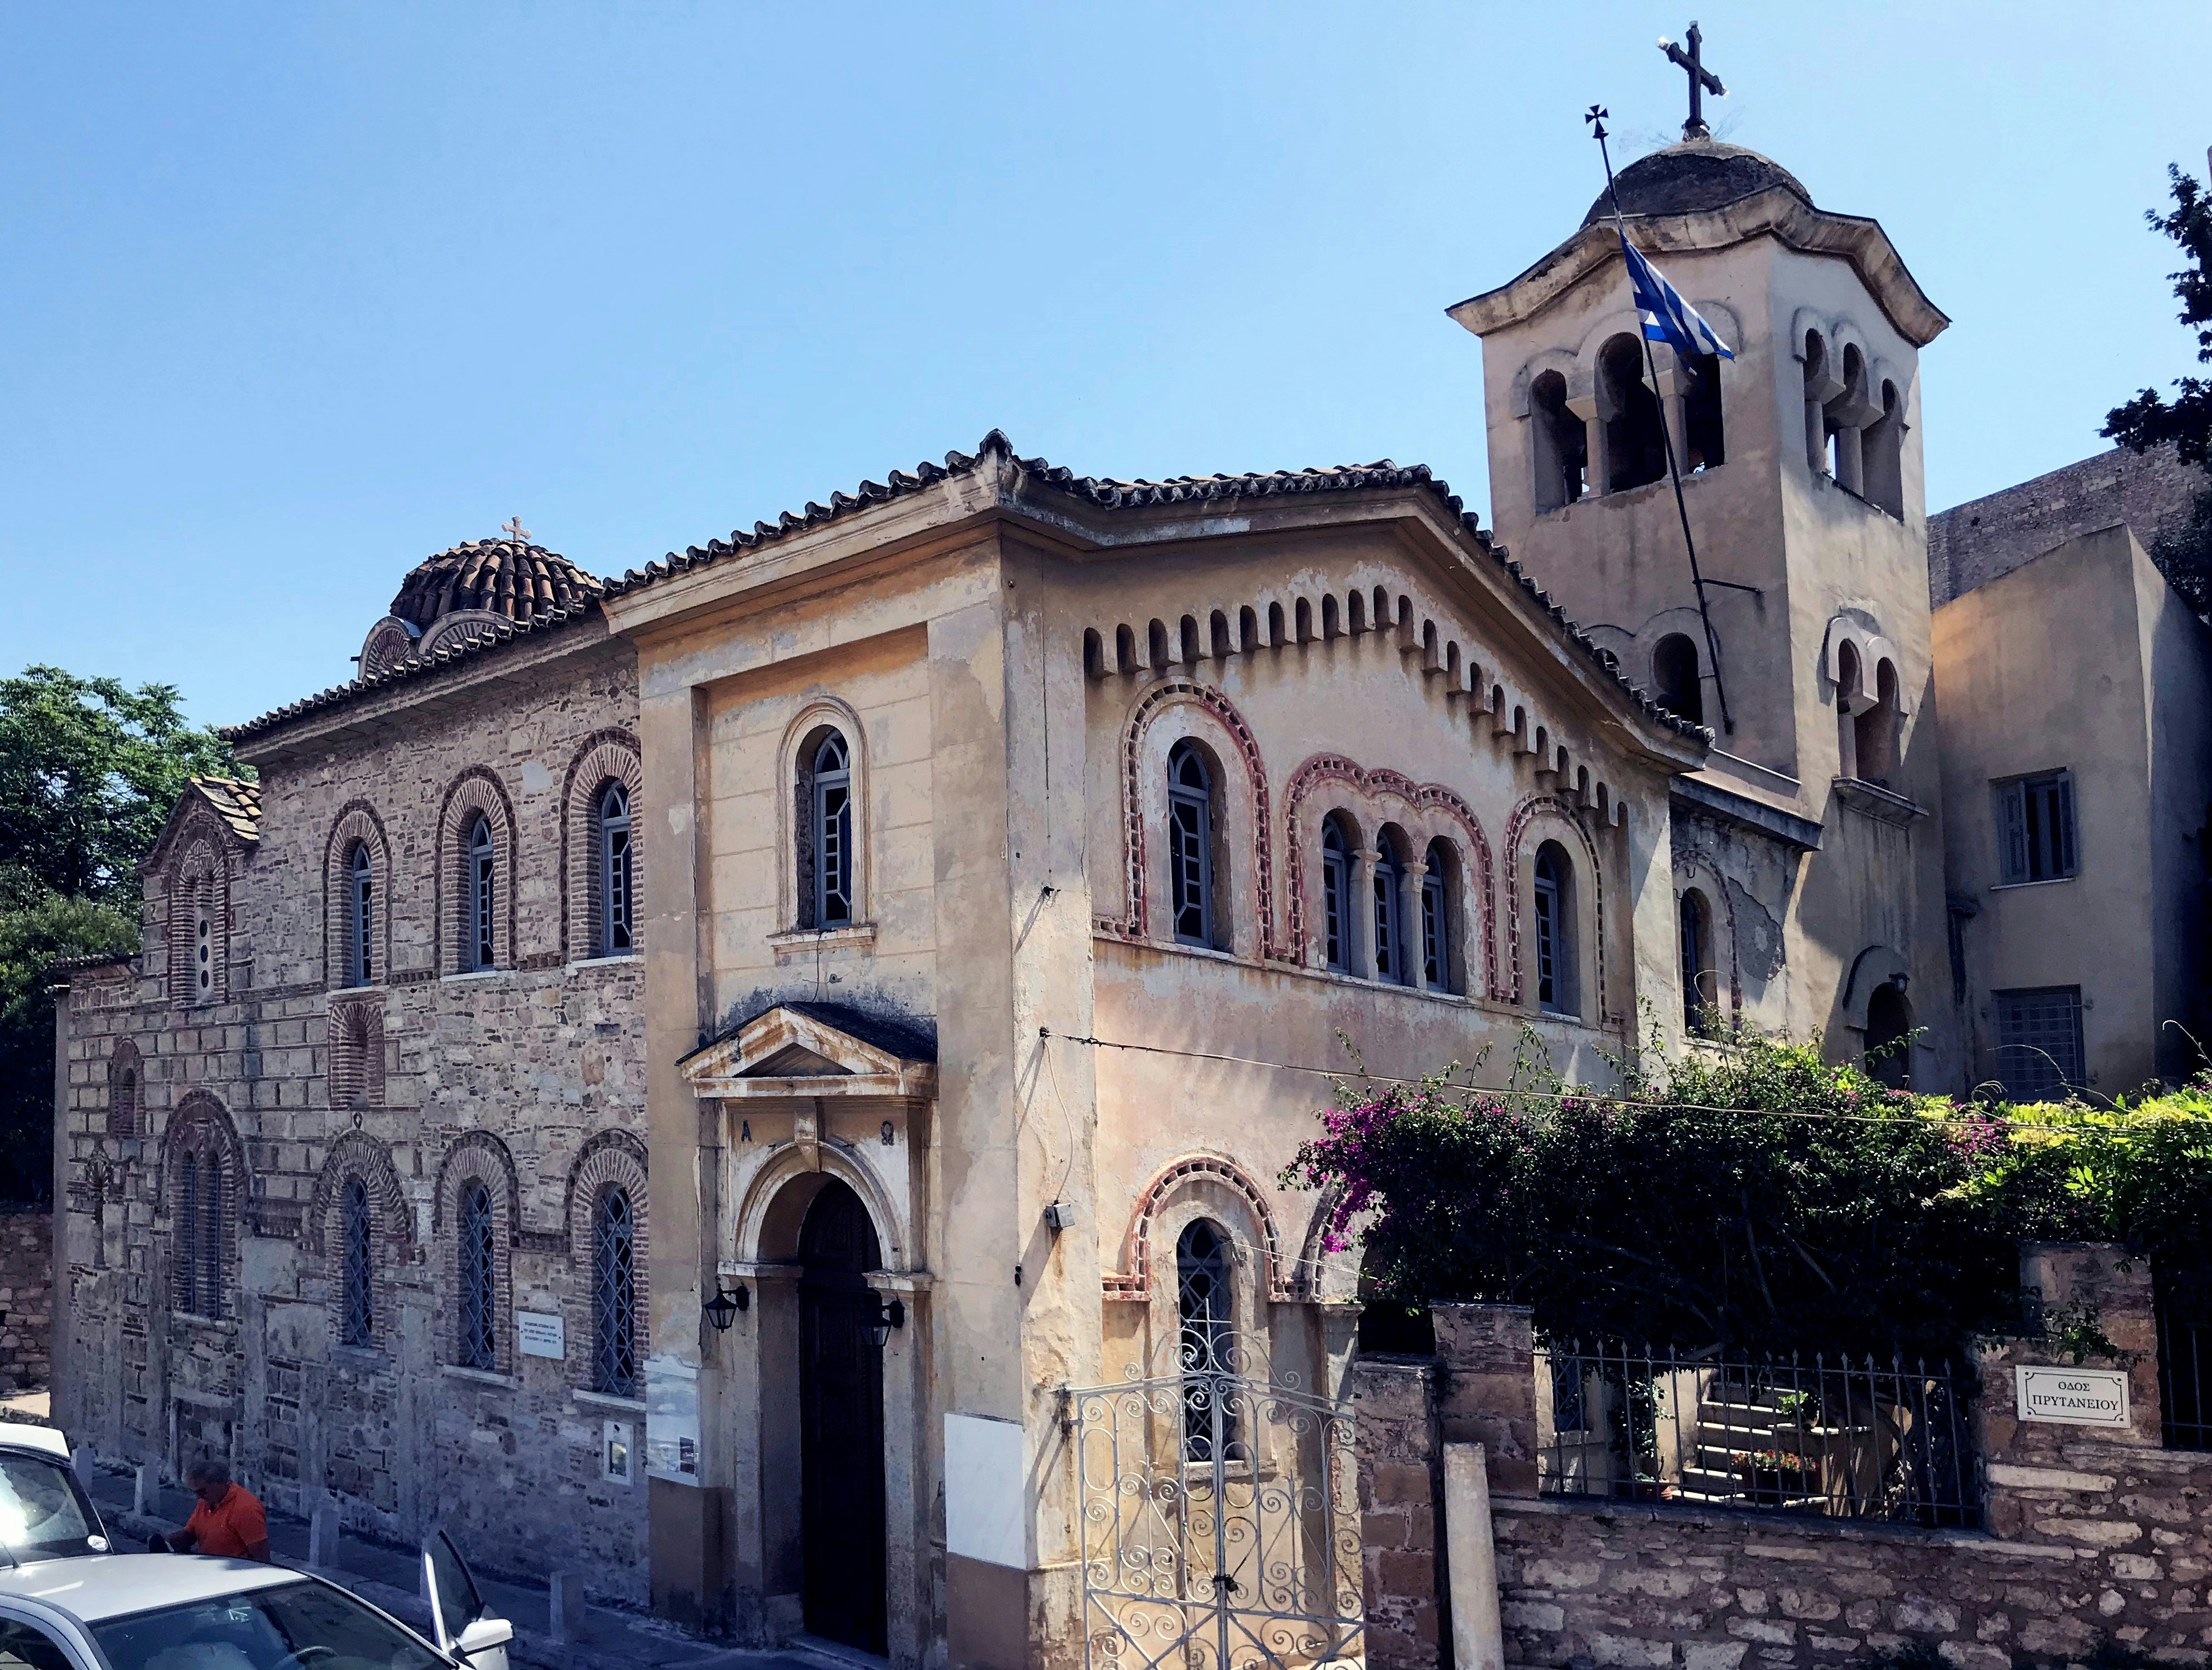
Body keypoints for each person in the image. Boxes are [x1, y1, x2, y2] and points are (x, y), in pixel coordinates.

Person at [153, 1460, 270, 1561]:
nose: (198, 1497)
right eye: (194, 1492)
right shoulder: (207, 1501)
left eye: (202, 1491)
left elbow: (262, 1558)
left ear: (220, 1483)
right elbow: (192, 1533)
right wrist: (168, 1542)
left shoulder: (246, 1508)